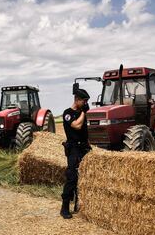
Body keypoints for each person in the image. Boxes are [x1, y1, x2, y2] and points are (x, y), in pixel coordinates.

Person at [60, 88, 91, 219]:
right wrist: (83, 113)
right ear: (77, 99)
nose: (85, 103)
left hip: (84, 148)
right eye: (84, 101)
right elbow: (77, 126)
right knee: (72, 177)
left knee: (83, 177)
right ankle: (65, 207)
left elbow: (84, 132)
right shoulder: (68, 113)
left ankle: (78, 204)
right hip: (73, 149)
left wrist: (89, 146)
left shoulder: (82, 113)